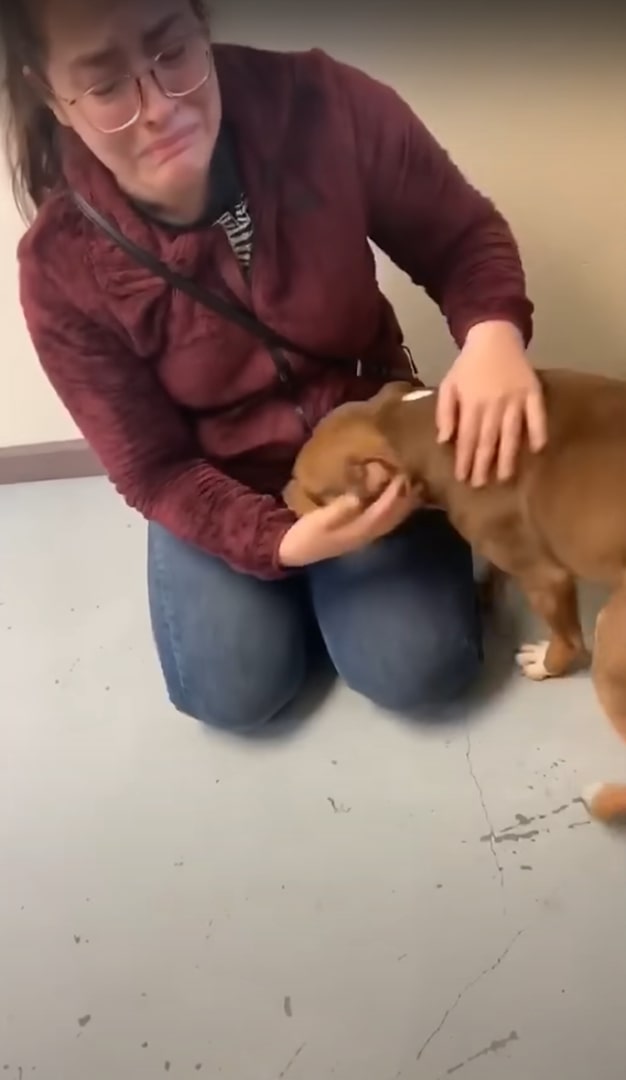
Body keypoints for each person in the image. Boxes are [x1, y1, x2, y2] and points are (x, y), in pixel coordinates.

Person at [2, 0, 547, 731]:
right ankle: (292, 583)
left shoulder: (326, 103)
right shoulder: (59, 266)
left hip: (366, 445)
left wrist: (492, 336)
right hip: (219, 476)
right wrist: (279, 541)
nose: (161, 108)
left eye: (174, 53)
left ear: (202, 25)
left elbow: (460, 236)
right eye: (106, 88)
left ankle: (335, 595)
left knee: (420, 669)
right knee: (232, 693)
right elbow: (152, 468)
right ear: (51, 98)